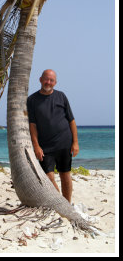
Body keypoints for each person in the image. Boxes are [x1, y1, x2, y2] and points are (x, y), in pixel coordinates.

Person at [27, 69, 79, 203]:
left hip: (64, 142)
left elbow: (71, 120)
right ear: (40, 79)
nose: (48, 82)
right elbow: (32, 125)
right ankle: (60, 203)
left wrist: (75, 142)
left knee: (65, 175)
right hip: (45, 146)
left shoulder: (61, 96)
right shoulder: (32, 100)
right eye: (46, 79)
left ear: (55, 83)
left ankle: (67, 204)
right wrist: (36, 146)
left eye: (51, 80)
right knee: (48, 177)